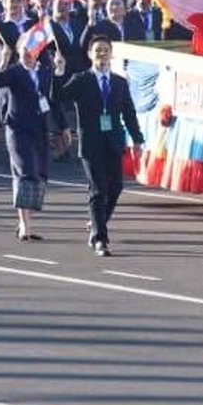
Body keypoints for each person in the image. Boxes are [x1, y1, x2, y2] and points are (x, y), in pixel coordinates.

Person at [63, 32, 145, 255]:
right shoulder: (82, 80)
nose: (102, 54)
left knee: (115, 187)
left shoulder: (119, 82)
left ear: (111, 54)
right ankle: (100, 239)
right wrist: (59, 72)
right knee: (98, 189)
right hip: (91, 143)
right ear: (90, 54)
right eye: (97, 50)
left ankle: (97, 223)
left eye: (106, 50)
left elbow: (128, 112)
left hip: (113, 141)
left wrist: (137, 139)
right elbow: (58, 96)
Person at [0, 35, 53, 240]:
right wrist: (3, 61)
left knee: (40, 175)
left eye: (32, 49)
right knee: (24, 172)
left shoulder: (44, 71)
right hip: (18, 129)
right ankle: (26, 225)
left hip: (39, 128)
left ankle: (24, 220)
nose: (28, 54)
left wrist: (63, 128)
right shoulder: (14, 72)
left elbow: (52, 99)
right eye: (24, 49)